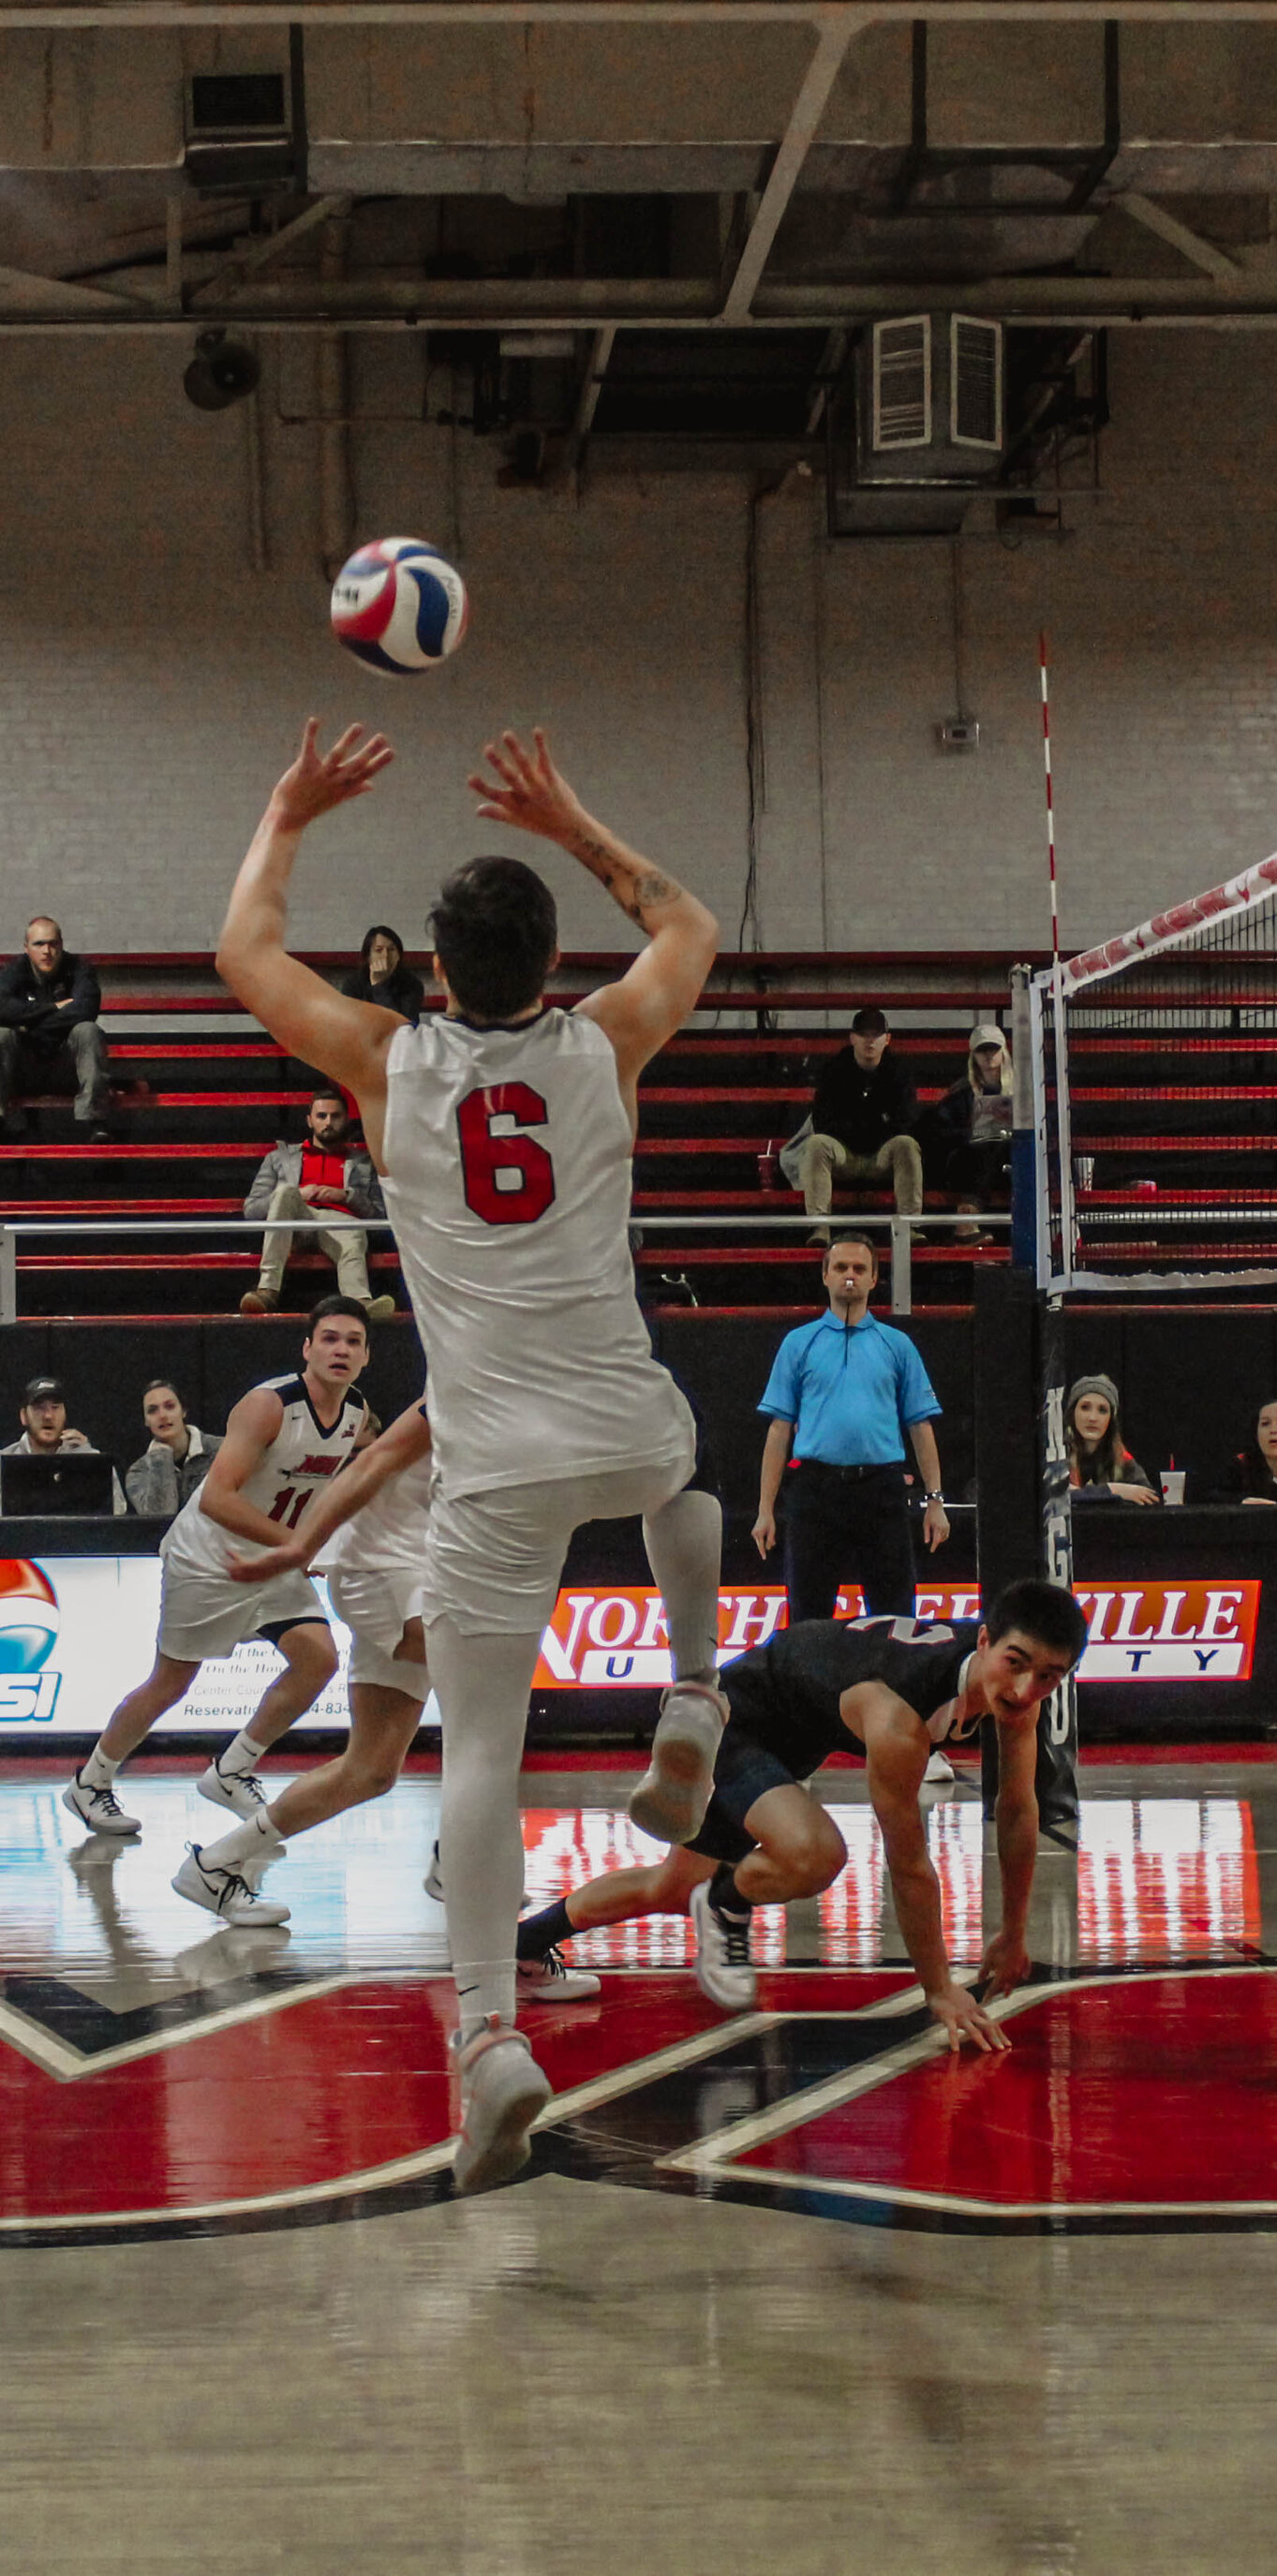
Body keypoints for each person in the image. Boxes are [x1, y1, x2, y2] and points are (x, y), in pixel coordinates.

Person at [214, 718, 729, 2195]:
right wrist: (572, 818)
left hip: (491, 1463)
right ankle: (688, 1693)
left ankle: (491, 2042)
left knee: (483, 1754)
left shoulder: (385, 1062)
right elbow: (688, 921)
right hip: (625, 1425)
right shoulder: (606, 1040)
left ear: (435, 971)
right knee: (684, 1476)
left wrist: (290, 801)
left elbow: (243, 951)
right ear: (550, 959)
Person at [512, 1581, 1089, 2044]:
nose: (1023, 1688)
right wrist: (937, 1989)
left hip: (795, 1729)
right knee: (815, 1854)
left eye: (1048, 1677)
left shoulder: (1016, 1697)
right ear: (984, 1640)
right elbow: (909, 1864)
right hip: (739, 1716)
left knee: (671, 1884)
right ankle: (724, 1902)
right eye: (1016, 1663)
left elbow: (1016, 1813)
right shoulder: (899, 1721)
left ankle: (526, 1944)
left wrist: (1014, 1933)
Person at [201, 1396, 601, 2000]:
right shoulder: (462, 1388)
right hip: (383, 1574)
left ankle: (217, 1864)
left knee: (370, 1770)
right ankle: (491, 1927)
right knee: (489, 1721)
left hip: (427, 1577)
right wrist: (301, 1547)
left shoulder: (537, 1406)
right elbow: (372, 1463)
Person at [59, 1296, 371, 1877]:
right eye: (329, 1338)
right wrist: (295, 1544)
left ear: (366, 1356)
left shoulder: (355, 1412)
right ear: (307, 1348)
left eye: (353, 1341)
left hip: (273, 1556)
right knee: (170, 1683)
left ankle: (231, 1769)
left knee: (318, 1659)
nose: (341, 1349)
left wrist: (312, 1542)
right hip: (211, 1558)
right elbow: (219, 1497)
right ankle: (90, 1779)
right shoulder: (268, 1406)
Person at [752, 1235, 951, 1617]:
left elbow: (920, 1428)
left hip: (881, 1491)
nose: (849, 1276)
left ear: (874, 1280)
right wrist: (765, 1509)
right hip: (815, 1491)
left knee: (894, 1615)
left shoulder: (897, 1345)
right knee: (808, 1617)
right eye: (840, 1267)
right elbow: (779, 1431)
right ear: (825, 1275)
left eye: (860, 1269)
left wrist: (935, 1501)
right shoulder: (798, 1344)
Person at [240, 1087, 395, 1320]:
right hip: (294, 1222)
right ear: (310, 1121)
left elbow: (380, 1214)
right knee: (284, 1192)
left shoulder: (363, 1162)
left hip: (340, 1223)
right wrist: (299, 1194)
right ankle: (266, 1291)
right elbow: (252, 1210)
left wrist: (346, 1196)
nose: (328, 1122)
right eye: (322, 1116)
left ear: (346, 1120)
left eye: (336, 1116)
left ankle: (360, 1302)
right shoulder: (279, 1158)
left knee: (354, 1231)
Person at [802, 1006, 922, 1241]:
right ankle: (819, 1227)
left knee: (907, 1144)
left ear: (887, 1039)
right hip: (845, 1154)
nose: (870, 1041)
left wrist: (858, 1122)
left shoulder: (899, 1072)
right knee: (817, 1144)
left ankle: (910, 1227)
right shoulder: (834, 1070)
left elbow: (907, 1121)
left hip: (881, 1156)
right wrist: (877, 1121)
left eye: (876, 1035)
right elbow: (823, 1122)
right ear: (852, 1038)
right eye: (864, 1034)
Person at [0, 917, 111, 1138]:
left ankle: (95, 1122)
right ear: (26, 948)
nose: (47, 951)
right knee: (1, 1034)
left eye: (53, 944)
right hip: (22, 1070)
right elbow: (2, 1008)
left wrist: (27, 1023)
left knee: (88, 1030)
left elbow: (86, 1009)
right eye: (39, 944)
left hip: (66, 1069)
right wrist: (52, 1008)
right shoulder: (14, 971)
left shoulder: (80, 969)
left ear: (61, 944)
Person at [921, 1023, 1015, 1238]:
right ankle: (967, 1219)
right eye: (983, 1050)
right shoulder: (960, 1093)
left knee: (997, 1146)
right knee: (983, 1147)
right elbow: (939, 1133)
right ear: (973, 1055)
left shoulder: (1024, 1091)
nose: (989, 1055)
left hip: (1007, 1165)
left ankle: (967, 1220)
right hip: (968, 1166)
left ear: (1003, 1051)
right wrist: (971, 1135)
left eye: (994, 1049)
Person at [4, 1375, 129, 1512]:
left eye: (55, 1407)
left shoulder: (92, 1460)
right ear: (23, 1416)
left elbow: (118, 1515)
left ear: (65, 1414)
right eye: (39, 1408)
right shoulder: (2, 1463)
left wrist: (86, 1464)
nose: (48, 1416)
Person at [124, 1379, 220, 1517]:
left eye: (169, 1406)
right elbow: (161, 1518)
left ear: (183, 1411)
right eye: (152, 1410)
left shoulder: (221, 1450)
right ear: (146, 1420)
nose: (162, 1416)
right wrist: (160, 1457)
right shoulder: (138, 1472)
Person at [1067, 1373, 1158, 1504]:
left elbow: (1149, 1498)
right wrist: (1114, 1490)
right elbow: (1057, 1499)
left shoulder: (1121, 1458)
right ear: (1072, 1413)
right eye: (1085, 1408)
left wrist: (1088, 1495)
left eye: (1102, 1410)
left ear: (1111, 1419)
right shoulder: (1057, 1455)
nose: (1092, 1418)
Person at [338, 925, 428, 1025]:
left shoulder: (412, 984)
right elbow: (350, 1024)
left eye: (391, 950)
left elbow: (401, 1027)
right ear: (368, 956)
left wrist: (380, 985)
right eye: (378, 950)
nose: (385, 956)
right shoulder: (353, 984)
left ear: (399, 955)